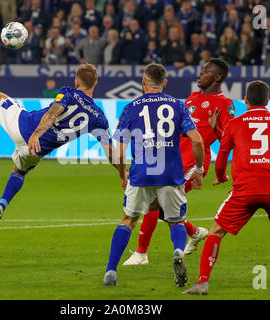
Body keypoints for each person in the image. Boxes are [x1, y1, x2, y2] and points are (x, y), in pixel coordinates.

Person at [0, 64, 126, 237]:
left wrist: (36, 133)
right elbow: (111, 153)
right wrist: (122, 173)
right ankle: (2, 204)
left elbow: (53, 112)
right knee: (19, 171)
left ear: (77, 81)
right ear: (96, 84)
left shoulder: (68, 92)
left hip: (25, 127)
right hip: (37, 151)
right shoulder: (99, 117)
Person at [184, 80, 270, 295]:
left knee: (216, 231)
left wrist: (220, 176)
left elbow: (223, 156)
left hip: (245, 191)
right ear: (267, 100)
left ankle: (202, 282)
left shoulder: (235, 124)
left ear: (245, 100)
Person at [123, 58, 235, 266]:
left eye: (206, 71)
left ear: (217, 77)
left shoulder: (225, 105)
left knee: (155, 203)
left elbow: (229, 140)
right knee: (163, 206)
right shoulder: (192, 97)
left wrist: (215, 130)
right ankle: (193, 233)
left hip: (192, 163)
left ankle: (141, 253)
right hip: (172, 158)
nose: (201, 74)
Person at [103, 63, 205, 287]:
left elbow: (117, 151)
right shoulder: (178, 106)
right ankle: (178, 250)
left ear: (143, 81)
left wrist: (122, 174)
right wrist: (199, 169)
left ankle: (111, 270)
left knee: (128, 220)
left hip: (141, 173)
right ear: (164, 83)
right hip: (171, 174)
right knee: (175, 220)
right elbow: (197, 140)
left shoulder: (131, 108)